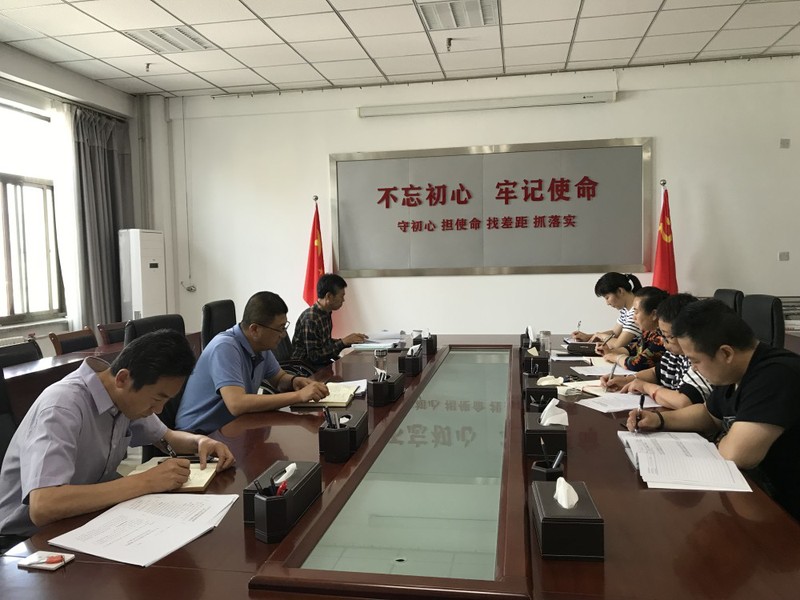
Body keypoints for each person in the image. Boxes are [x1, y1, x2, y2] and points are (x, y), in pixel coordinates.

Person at [0, 330, 235, 540]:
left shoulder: (122, 396)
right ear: (123, 378)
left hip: (84, 521)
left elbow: (167, 438)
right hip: (24, 541)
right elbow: (43, 506)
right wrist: (145, 482)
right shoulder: (62, 407)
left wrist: (201, 441)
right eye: (157, 399)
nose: (159, 410)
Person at [627, 299, 800, 521]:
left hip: (785, 511)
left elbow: (738, 454)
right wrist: (659, 419)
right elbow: (708, 414)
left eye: (695, 360)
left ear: (725, 353)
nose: (693, 368)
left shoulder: (776, 375)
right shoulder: (733, 372)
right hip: (756, 492)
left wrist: (722, 439)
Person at [175, 291, 329, 434]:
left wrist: (295, 381)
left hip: (231, 428)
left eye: (284, 327)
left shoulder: (260, 346)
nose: (283, 335)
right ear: (255, 329)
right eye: (280, 329)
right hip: (197, 436)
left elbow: (279, 379)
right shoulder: (225, 347)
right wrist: (299, 396)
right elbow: (237, 404)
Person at [601, 293, 712, 409]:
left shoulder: (698, 359)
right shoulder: (675, 351)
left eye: (668, 336)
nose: (663, 341)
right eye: (662, 335)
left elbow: (684, 401)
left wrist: (646, 387)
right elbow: (656, 373)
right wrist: (627, 380)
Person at [291, 273, 367, 369]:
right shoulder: (311, 319)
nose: (343, 300)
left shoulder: (325, 313)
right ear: (329, 296)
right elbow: (314, 357)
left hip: (320, 365)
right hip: (306, 369)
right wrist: (343, 342)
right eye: (341, 296)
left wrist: (348, 341)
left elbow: (324, 343)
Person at [598, 286, 667, 372]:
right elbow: (632, 349)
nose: (633, 317)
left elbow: (637, 364)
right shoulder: (648, 332)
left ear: (654, 315)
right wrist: (609, 351)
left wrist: (616, 358)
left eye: (636, 312)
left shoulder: (663, 337)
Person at [572, 272, 642, 350]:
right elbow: (614, 333)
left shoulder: (635, 313)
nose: (607, 303)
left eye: (607, 297)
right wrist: (588, 337)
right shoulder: (625, 310)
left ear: (620, 291)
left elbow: (618, 344)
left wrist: (600, 335)